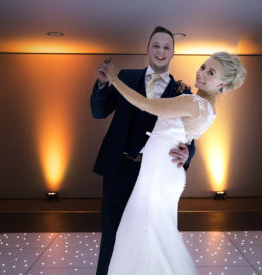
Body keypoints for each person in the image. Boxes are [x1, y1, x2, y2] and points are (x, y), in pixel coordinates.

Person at [102, 51, 246, 274]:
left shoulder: (193, 102)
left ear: (222, 83)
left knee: (147, 233)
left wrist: (113, 79)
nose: (202, 73)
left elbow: (145, 104)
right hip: (163, 171)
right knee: (152, 234)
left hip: (158, 174)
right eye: (203, 66)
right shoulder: (208, 108)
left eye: (211, 72)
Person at [90, 26, 196, 275]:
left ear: (173, 53)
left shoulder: (184, 93)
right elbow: (99, 112)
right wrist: (103, 84)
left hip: (154, 176)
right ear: (147, 49)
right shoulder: (124, 77)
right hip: (119, 170)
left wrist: (188, 153)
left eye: (167, 47)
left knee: (149, 237)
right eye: (156, 45)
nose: (161, 51)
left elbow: (190, 137)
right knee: (112, 236)